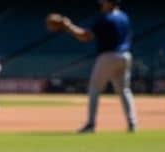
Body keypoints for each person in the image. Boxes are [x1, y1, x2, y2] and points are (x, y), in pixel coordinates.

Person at [52, 1, 136, 133]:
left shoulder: (105, 19)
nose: (102, 5)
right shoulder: (124, 17)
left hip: (108, 56)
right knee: (124, 90)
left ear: (110, 3)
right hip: (126, 56)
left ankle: (91, 124)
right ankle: (132, 123)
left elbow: (85, 36)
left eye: (104, 2)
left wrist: (68, 26)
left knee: (94, 89)